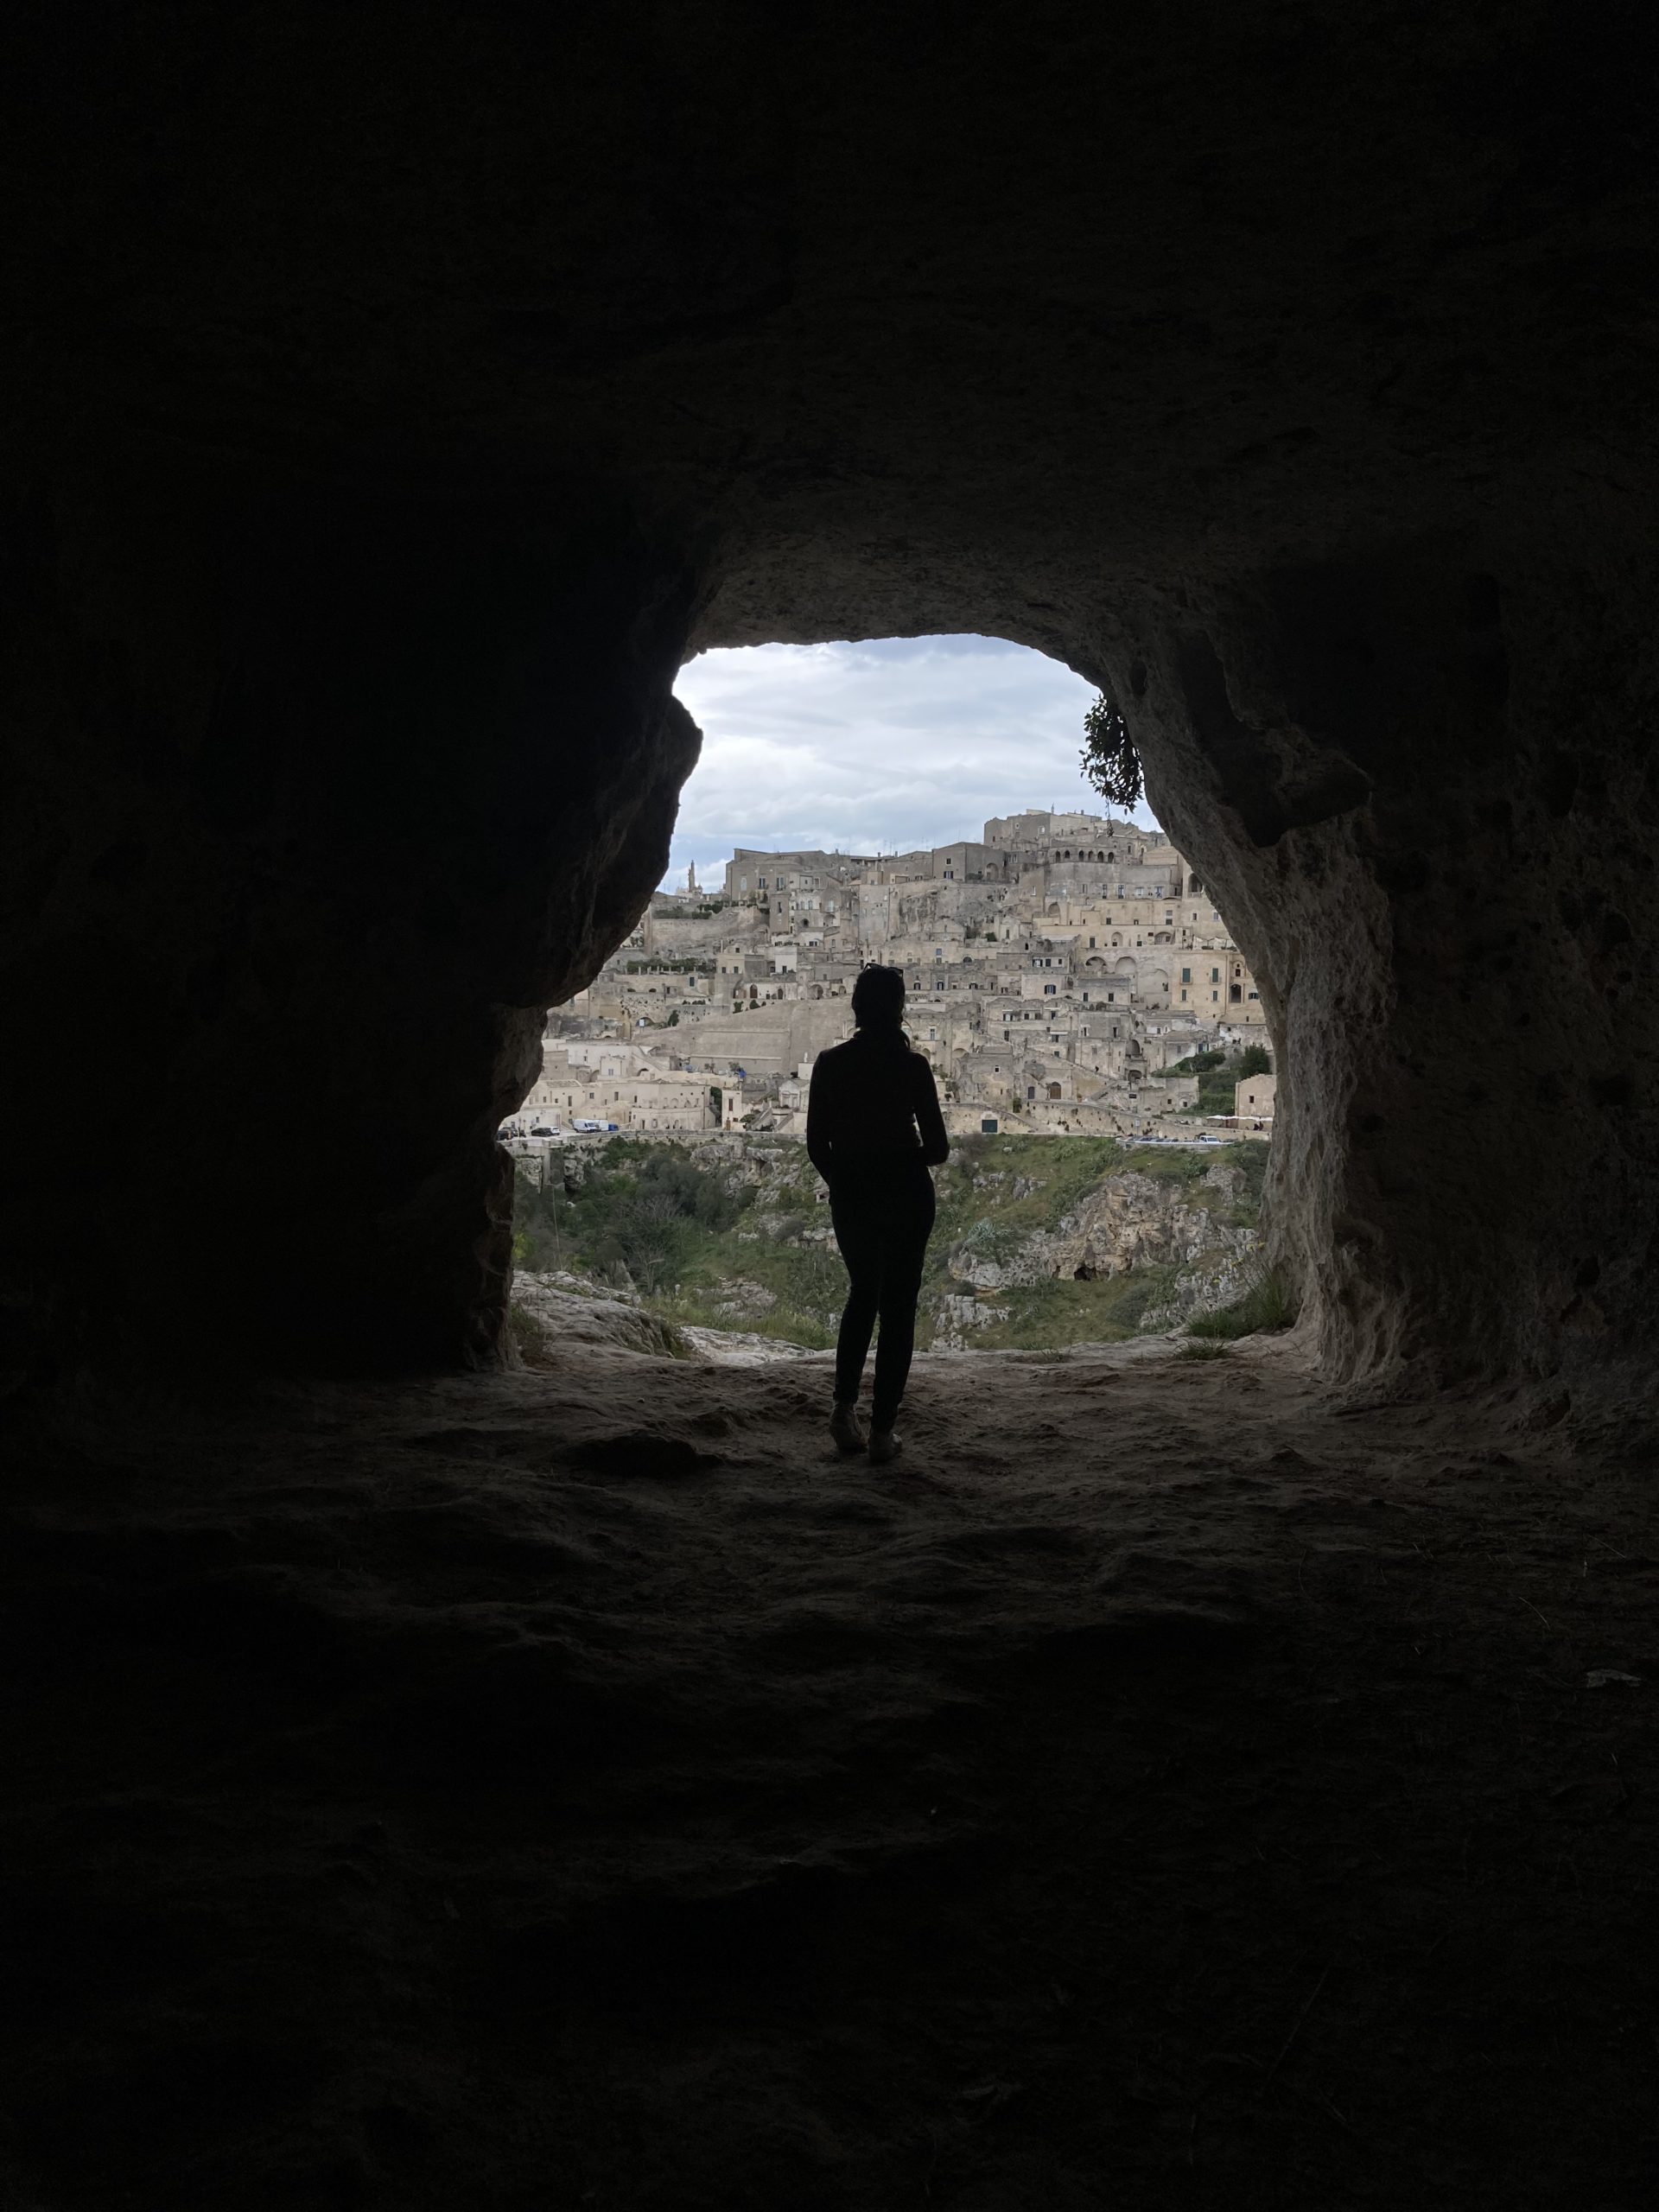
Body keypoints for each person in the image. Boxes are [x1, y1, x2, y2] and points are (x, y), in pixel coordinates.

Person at [805, 964, 949, 1465]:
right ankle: (883, 1430)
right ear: (901, 1008)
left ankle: (843, 1412)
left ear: (857, 1008)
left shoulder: (830, 1063)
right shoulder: (913, 1068)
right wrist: (899, 1155)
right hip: (908, 1196)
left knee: (862, 1297)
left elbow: (816, 1144)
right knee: (899, 1310)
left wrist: (846, 1179)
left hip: (854, 1196)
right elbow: (938, 1148)